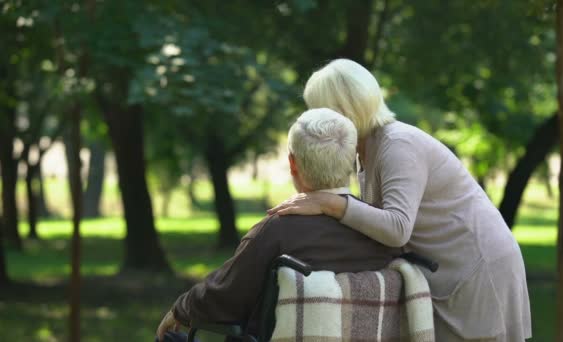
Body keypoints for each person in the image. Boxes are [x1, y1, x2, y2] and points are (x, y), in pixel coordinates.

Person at [268, 59, 532, 341]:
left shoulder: (397, 145)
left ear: (342, 110)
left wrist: (328, 203)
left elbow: (397, 228)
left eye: (317, 109)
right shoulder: (366, 150)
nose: (313, 118)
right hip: (447, 271)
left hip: (476, 267)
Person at [156, 108, 402, 341]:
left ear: (293, 163)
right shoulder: (382, 232)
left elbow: (223, 299)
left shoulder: (276, 231)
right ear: (351, 162)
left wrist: (181, 308)